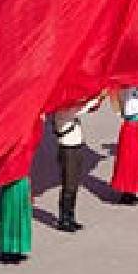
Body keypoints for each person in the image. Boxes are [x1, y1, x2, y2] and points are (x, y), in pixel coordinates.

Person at [50, 95, 98, 230]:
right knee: (69, 184)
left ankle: (70, 216)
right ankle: (64, 218)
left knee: (74, 183)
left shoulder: (69, 110)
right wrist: (96, 99)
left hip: (75, 147)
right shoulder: (62, 111)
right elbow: (81, 110)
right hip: (68, 149)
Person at [110, 85, 138, 202]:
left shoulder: (136, 89)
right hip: (132, 127)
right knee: (130, 160)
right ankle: (126, 192)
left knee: (137, 160)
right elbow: (128, 110)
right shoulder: (125, 90)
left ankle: (132, 190)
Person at [0, 173, 32, 263]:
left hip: (21, 178)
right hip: (11, 177)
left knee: (19, 213)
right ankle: (7, 250)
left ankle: (16, 248)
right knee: (9, 212)